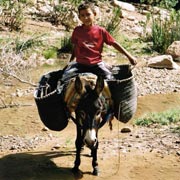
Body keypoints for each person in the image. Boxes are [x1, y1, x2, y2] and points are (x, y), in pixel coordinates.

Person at [61, 2, 137, 81]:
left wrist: (129, 56)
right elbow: (75, 47)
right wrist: (70, 62)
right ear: (79, 17)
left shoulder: (101, 31)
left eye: (88, 14)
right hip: (80, 64)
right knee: (64, 78)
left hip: (96, 64)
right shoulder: (77, 31)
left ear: (94, 14)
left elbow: (114, 43)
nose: (85, 18)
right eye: (82, 15)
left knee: (110, 79)